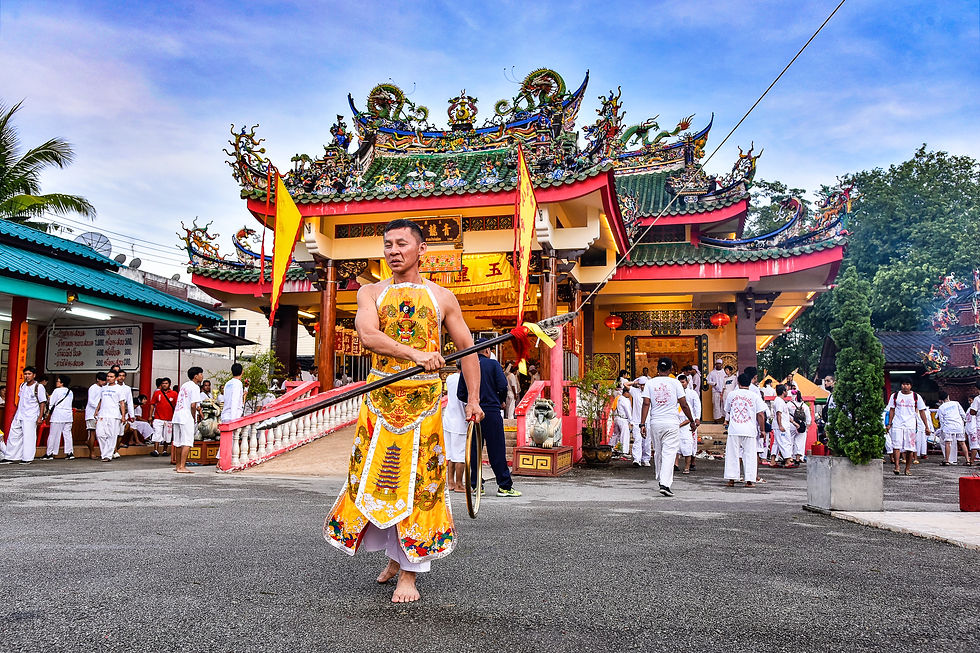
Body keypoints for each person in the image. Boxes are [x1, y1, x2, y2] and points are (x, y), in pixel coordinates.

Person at [323, 218, 483, 604]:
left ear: (421, 249)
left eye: (401, 244)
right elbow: (368, 335)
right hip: (380, 400)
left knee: (419, 482)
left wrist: (474, 399)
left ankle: (409, 572)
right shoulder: (370, 292)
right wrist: (415, 354)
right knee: (374, 479)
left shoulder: (443, 297)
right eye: (388, 245)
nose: (393, 251)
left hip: (424, 404)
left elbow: (467, 350)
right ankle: (394, 558)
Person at [457, 347, 520, 497]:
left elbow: (460, 392)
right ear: (486, 351)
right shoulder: (493, 364)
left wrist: (470, 401)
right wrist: (500, 401)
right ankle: (504, 485)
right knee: (496, 448)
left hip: (473, 411)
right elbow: (502, 386)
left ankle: (476, 485)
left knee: (474, 449)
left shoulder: (467, 364)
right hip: (491, 410)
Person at [640, 357, 695, 497]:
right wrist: (692, 420)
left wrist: (642, 424)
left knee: (658, 452)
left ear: (657, 369)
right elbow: (684, 404)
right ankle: (665, 483)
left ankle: (660, 477)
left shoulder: (650, 383)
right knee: (669, 453)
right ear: (671, 370)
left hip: (655, 423)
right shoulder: (675, 383)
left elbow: (646, 404)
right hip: (671, 423)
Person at [723, 372, 767, 488]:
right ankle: (749, 480)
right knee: (750, 455)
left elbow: (727, 409)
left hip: (734, 429)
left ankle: (731, 479)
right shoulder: (754, 396)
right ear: (750, 382)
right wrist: (762, 430)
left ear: (738, 382)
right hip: (749, 429)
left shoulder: (732, 395)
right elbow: (761, 414)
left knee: (732, 454)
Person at [0, 366, 47, 464]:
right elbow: (20, 401)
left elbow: (42, 402)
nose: (27, 376)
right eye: (25, 374)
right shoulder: (22, 385)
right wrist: (15, 414)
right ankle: (10, 456)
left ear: (34, 375)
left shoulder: (38, 387)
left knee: (29, 436)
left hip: (31, 415)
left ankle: (27, 458)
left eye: (29, 374)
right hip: (20, 415)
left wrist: (40, 417)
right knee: (13, 435)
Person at [886, 379, 930, 475]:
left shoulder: (916, 397)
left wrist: (927, 426)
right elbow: (892, 410)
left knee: (910, 448)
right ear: (901, 385)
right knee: (896, 446)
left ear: (911, 386)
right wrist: (889, 423)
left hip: (910, 425)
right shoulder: (895, 396)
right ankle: (897, 467)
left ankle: (907, 469)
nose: (905, 386)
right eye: (903, 384)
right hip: (897, 424)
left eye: (907, 384)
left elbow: (922, 411)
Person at [172, 367, 204, 474]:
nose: (202, 376)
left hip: (177, 415)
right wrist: (193, 416)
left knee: (178, 441)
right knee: (187, 441)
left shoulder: (185, 385)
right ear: (195, 376)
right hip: (186, 416)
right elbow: (193, 405)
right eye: (200, 374)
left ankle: (178, 465)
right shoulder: (195, 387)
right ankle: (182, 466)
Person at [442, 367, 467, 493]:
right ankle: (459, 484)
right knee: (460, 454)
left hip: (448, 417)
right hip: (459, 419)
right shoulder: (465, 379)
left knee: (451, 453)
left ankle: (450, 482)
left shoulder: (450, 378)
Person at [93, 370, 125, 462]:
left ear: (115, 378)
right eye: (108, 376)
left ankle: (108, 455)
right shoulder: (103, 388)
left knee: (112, 435)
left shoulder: (119, 388)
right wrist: (96, 410)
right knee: (100, 434)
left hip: (114, 415)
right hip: (102, 414)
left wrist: (123, 416)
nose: (109, 378)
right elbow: (101, 400)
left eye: (111, 377)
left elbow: (122, 403)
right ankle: (104, 453)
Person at [43, 374, 75, 460]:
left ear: (62, 383)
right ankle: (69, 452)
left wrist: (47, 411)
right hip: (68, 415)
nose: (57, 382)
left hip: (58, 414)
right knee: (67, 434)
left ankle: (50, 453)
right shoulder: (70, 392)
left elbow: (51, 403)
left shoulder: (57, 391)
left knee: (53, 434)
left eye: (58, 381)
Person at [676, 374, 701, 475]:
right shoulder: (676, 393)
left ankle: (692, 463)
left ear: (687, 382)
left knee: (691, 443)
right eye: (680, 382)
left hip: (690, 422)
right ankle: (676, 464)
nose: (682, 384)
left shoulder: (692, 393)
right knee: (676, 445)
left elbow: (697, 406)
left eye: (683, 382)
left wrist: (697, 419)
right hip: (678, 422)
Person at [936, 391, 967, 465]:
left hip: (948, 427)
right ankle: (968, 460)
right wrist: (964, 423)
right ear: (948, 396)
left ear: (940, 400)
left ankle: (947, 461)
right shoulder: (956, 403)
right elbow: (963, 414)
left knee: (947, 443)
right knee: (962, 443)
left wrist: (942, 429)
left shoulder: (941, 407)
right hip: (959, 425)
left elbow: (941, 420)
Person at [148, 378, 177, 457]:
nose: (164, 385)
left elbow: (177, 406)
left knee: (167, 436)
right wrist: (150, 416)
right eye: (163, 383)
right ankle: (155, 450)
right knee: (157, 433)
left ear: (169, 384)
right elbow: (152, 404)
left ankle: (165, 450)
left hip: (169, 418)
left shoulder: (174, 394)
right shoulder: (157, 393)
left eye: (166, 383)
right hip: (158, 417)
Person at [769, 384, 796, 468]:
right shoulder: (779, 401)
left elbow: (784, 415)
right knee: (785, 442)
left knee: (776, 443)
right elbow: (779, 414)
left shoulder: (779, 401)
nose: (787, 392)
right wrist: (780, 425)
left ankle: (773, 460)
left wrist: (793, 423)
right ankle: (788, 460)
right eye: (786, 391)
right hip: (781, 426)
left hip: (781, 425)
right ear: (783, 392)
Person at [84, 373, 108, 459]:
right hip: (91, 413)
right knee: (92, 433)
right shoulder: (93, 388)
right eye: (102, 380)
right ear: (98, 379)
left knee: (100, 433)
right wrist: (99, 408)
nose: (104, 382)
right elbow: (91, 401)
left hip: (100, 414)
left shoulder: (104, 388)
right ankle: (92, 452)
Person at [114, 370, 135, 457]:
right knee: (113, 432)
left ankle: (115, 448)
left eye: (123, 376)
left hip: (124, 412)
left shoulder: (127, 388)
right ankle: (113, 450)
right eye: (119, 375)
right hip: (114, 411)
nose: (121, 377)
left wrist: (132, 415)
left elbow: (130, 402)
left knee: (121, 433)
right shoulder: (112, 386)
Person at [630, 376, 649, 467]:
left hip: (648, 420)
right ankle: (637, 459)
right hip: (637, 420)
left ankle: (646, 459)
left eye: (644, 385)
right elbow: (625, 384)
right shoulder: (635, 392)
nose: (642, 387)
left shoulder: (651, 393)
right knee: (637, 440)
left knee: (647, 441)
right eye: (641, 385)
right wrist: (634, 382)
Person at [788, 391, 811, 463]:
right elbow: (808, 418)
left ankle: (790, 457)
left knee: (790, 441)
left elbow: (786, 415)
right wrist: (806, 427)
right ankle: (798, 458)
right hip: (802, 425)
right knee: (800, 442)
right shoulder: (805, 406)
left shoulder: (789, 404)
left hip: (791, 424)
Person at [610, 385, 632, 457]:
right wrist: (631, 421)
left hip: (617, 418)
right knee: (624, 435)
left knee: (616, 434)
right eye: (629, 393)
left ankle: (611, 447)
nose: (630, 395)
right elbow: (628, 411)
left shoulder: (619, 398)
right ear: (626, 392)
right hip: (623, 419)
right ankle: (624, 451)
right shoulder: (624, 400)